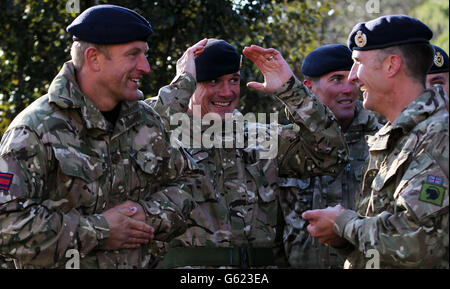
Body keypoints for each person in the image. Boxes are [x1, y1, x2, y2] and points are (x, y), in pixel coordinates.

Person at [0, 4, 201, 269]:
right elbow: (7, 224)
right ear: (94, 58)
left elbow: (190, 182)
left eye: (145, 54)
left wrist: (148, 214)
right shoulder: (35, 129)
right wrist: (99, 231)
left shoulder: (146, 122)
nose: (146, 67)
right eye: (133, 55)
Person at [149, 39, 349, 268]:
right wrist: (181, 84)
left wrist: (291, 91)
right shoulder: (165, 135)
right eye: (213, 81)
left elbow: (332, 155)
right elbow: (138, 135)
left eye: (233, 80)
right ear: (190, 83)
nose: (226, 92)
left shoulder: (261, 138)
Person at [302, 15, 449, 269]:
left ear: (392, 65)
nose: (352, 77)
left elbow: (418, 244)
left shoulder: (439, 135)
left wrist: (343, 223)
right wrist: (342, 238)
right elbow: (385, 241)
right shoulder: (396, 137)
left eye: (358, 63)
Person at [279, 44, 381, 268]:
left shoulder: (381, 142)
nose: (348, 89)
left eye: (352, 79)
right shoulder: (288, 144)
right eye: (336, 79)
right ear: (308, 88)